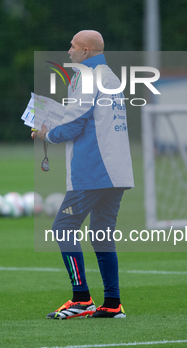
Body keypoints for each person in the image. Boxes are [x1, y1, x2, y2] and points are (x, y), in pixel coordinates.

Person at [33, 30, 134, 319]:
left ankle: (81, 299)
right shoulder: (110, 76)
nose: (69, 51)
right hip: (117, 170)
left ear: (86, 51)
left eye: (73, 46)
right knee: (102, 235)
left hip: (93, 170)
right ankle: (112, 303)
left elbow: (75, 123)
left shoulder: (86, 77)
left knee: (63, 226)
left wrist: (47, 134)